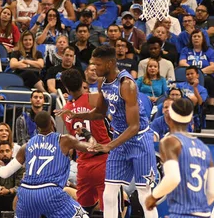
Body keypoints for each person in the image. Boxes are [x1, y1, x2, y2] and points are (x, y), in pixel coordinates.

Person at [57, 45, 158, 218]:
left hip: (139, 140)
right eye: (93, 64)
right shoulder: (102, 82)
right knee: (109, 193)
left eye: (98, 64)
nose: (94, 69)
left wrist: (108, 146)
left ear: (110, 63)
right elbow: (99, 113)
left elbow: (134, 127)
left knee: (144, 193)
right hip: (119, 139)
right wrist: (77, 113)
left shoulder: (127, 85)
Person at [0, 111, 91, 218]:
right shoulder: (64, 140)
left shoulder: (26, 146)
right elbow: (93, 147)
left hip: (27, 194)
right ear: (51, 122)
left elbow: (4, 173)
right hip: (50, 192)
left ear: (36, 126)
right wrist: (87, 134)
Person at [145, 98, 214, 214]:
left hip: (182, 212)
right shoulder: (205, 148)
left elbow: (173, 178)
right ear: (190, 121)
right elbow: (213, 192)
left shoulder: (170, 142)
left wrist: (153, 196)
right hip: (204, 213)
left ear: (169, 117)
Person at [61, 69, 110, 214]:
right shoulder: (93, 99)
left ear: (67, 88)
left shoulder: (66, 110)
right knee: (111, 206)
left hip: (83, 164)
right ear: (83, 83)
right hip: (102, 159)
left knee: (83, 209)